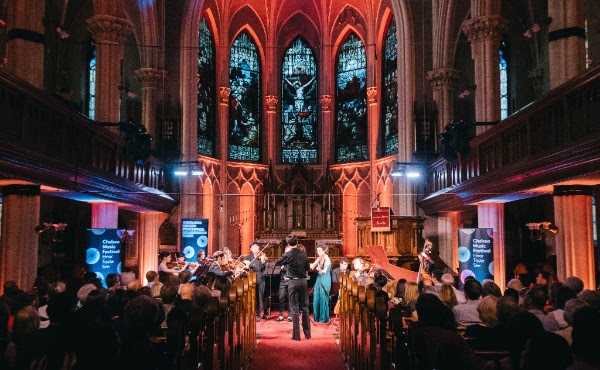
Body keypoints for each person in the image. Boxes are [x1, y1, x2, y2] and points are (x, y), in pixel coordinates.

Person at [275, 236, 311, 341]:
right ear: (297, 242)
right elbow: (308, 268)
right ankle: (307, 334)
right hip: (303, 282)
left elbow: (278, 262)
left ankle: (296, 336)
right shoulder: (303, 253)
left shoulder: (288, 254)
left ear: (288, 244)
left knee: (294, 308)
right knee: (305, 307)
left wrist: (286, 261)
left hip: (293, 282)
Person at [244, 243, 267, 320]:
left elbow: (264, 268)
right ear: (251, 249)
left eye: (257, 247)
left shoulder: (262, 257)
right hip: (251, 279)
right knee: (254, 296)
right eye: (254, 247)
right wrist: (246, 265)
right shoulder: (247, 258)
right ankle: (255, 313)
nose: (256, 249)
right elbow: (245, 268)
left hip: (261, 278)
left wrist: (263, 262)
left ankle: (262, 312)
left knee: (262, 296)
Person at [310, 246, 332, 323]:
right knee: (316, 298)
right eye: (317, 251)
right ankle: (316, 318)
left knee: (323, 299)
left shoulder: (327, 259)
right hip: (319, 279)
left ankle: (323, 319)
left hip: (325, 279)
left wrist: (319, 269)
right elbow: (312, 266)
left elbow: (324, 271)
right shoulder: (319, 258)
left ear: (324, 251)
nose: (318, 252)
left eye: (319, 251)